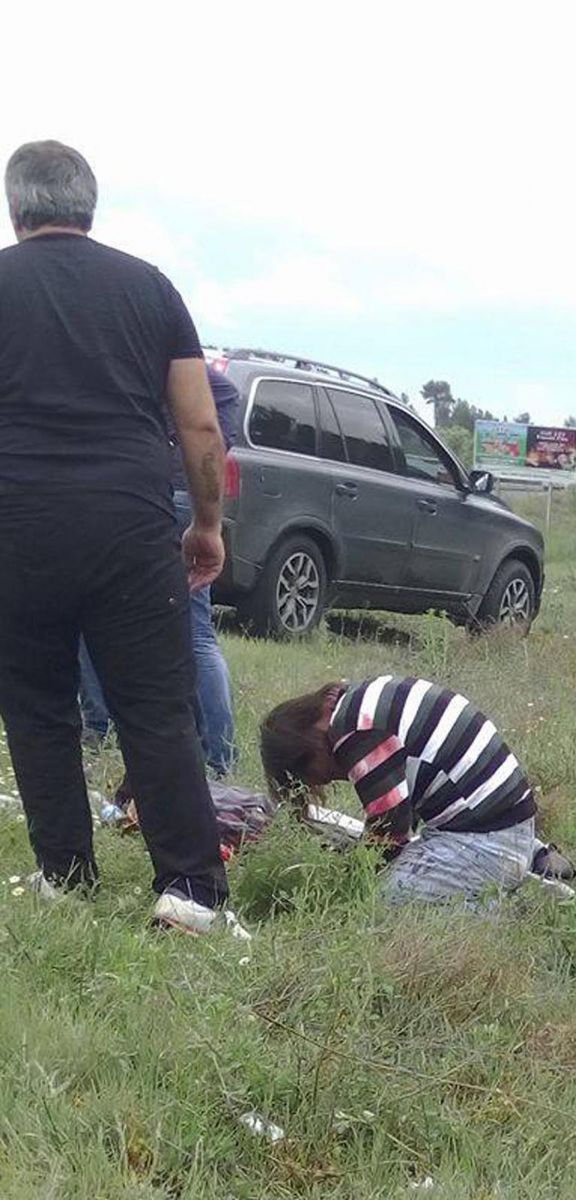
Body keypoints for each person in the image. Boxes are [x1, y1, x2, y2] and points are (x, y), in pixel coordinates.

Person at [0, 140, 234, 934]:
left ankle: (66, 876)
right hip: (130, 527)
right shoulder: (150, 288)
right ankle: (190, 893)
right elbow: (199, 425)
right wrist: (206, 523)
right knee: (156, 708)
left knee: (36, 709)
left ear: (16, 208)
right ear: (89, 206)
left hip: (17, 528)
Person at [261, 675, 567, 904]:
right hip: (504, 826)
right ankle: (521, 870)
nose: (331, 780)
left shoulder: (354, 732)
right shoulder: (361, 698)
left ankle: (517, 905)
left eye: (316, 776)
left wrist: (349, 880)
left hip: (488, 843)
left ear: (307, 747)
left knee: (383, 897)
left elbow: (390, 834)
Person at [79, 364, 241, 777]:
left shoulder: (146, 361)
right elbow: (223, 405)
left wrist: (172, 446)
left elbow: (218, 407)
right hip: (171, 493)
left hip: (152, 494)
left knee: (92, 610)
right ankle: (217, 756)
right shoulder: (189, 371)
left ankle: (100, 728)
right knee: (195, 632)